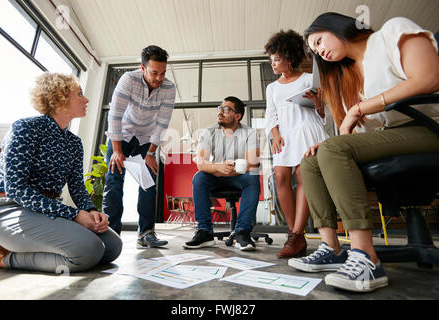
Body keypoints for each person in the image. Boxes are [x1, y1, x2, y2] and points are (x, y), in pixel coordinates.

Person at [288, 12, 439, 292]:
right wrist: (331, 142)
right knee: (310, 161)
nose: (319, 51)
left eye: (319, 41)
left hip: (427, 129)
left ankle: (365, 257)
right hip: (388, 138)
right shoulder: (347, 75)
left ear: (335, 26)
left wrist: (361, 108)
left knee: (332, 149)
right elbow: (358, 133)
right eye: (314, 50)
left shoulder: (391, 32)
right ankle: (331, 247)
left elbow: (430, 78)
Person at [0, 73, 122, 273]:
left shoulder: (74, 143)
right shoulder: (25, 128)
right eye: (79, 94)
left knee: (112, 247)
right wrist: (75, 214)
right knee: (89, 250)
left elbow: (77, 186)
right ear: (59, 99)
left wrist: (91, 211)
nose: (86, 100)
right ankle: (1, 258)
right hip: (8, 209)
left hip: (46, 210)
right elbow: (17, 189)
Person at [102, 45, 176, 248]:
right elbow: (115, 115)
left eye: (162, 73)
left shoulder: (169, 88)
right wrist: (117, 151)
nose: (159, 78)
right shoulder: (129, 79)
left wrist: (151, 152)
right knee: (114, 181)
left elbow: (162, 123)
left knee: (148, 183)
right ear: (142, 68)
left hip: (146, 138)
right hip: (122, 135)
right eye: (154, 73)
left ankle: (146, 233)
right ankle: (111, 232)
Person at [264, 30, 329, 259]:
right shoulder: (272, 88)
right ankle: (296, 236)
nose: (272, 63)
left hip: (307, 131)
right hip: (285, 135)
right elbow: (270, 115)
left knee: (303, 178)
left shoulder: (308, 79)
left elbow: (324, 115)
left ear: (289, 58)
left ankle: (295, 235)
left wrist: (320, 105)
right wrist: (275, 134)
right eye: (271, 59)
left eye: (277, 59)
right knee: (280, 177)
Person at [184, 97, 261, 251]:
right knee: (199, 178)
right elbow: (201, 163)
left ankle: (242, 232)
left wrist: (230, 169)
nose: (220, 112)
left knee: (252, 176)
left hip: (238, 176)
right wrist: (218, 167)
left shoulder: (249, 132)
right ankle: (205, 231)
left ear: (237, 116)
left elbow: (253, 163)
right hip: (217, 175)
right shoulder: (209, 132)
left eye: (226, 109)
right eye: (220, 108)